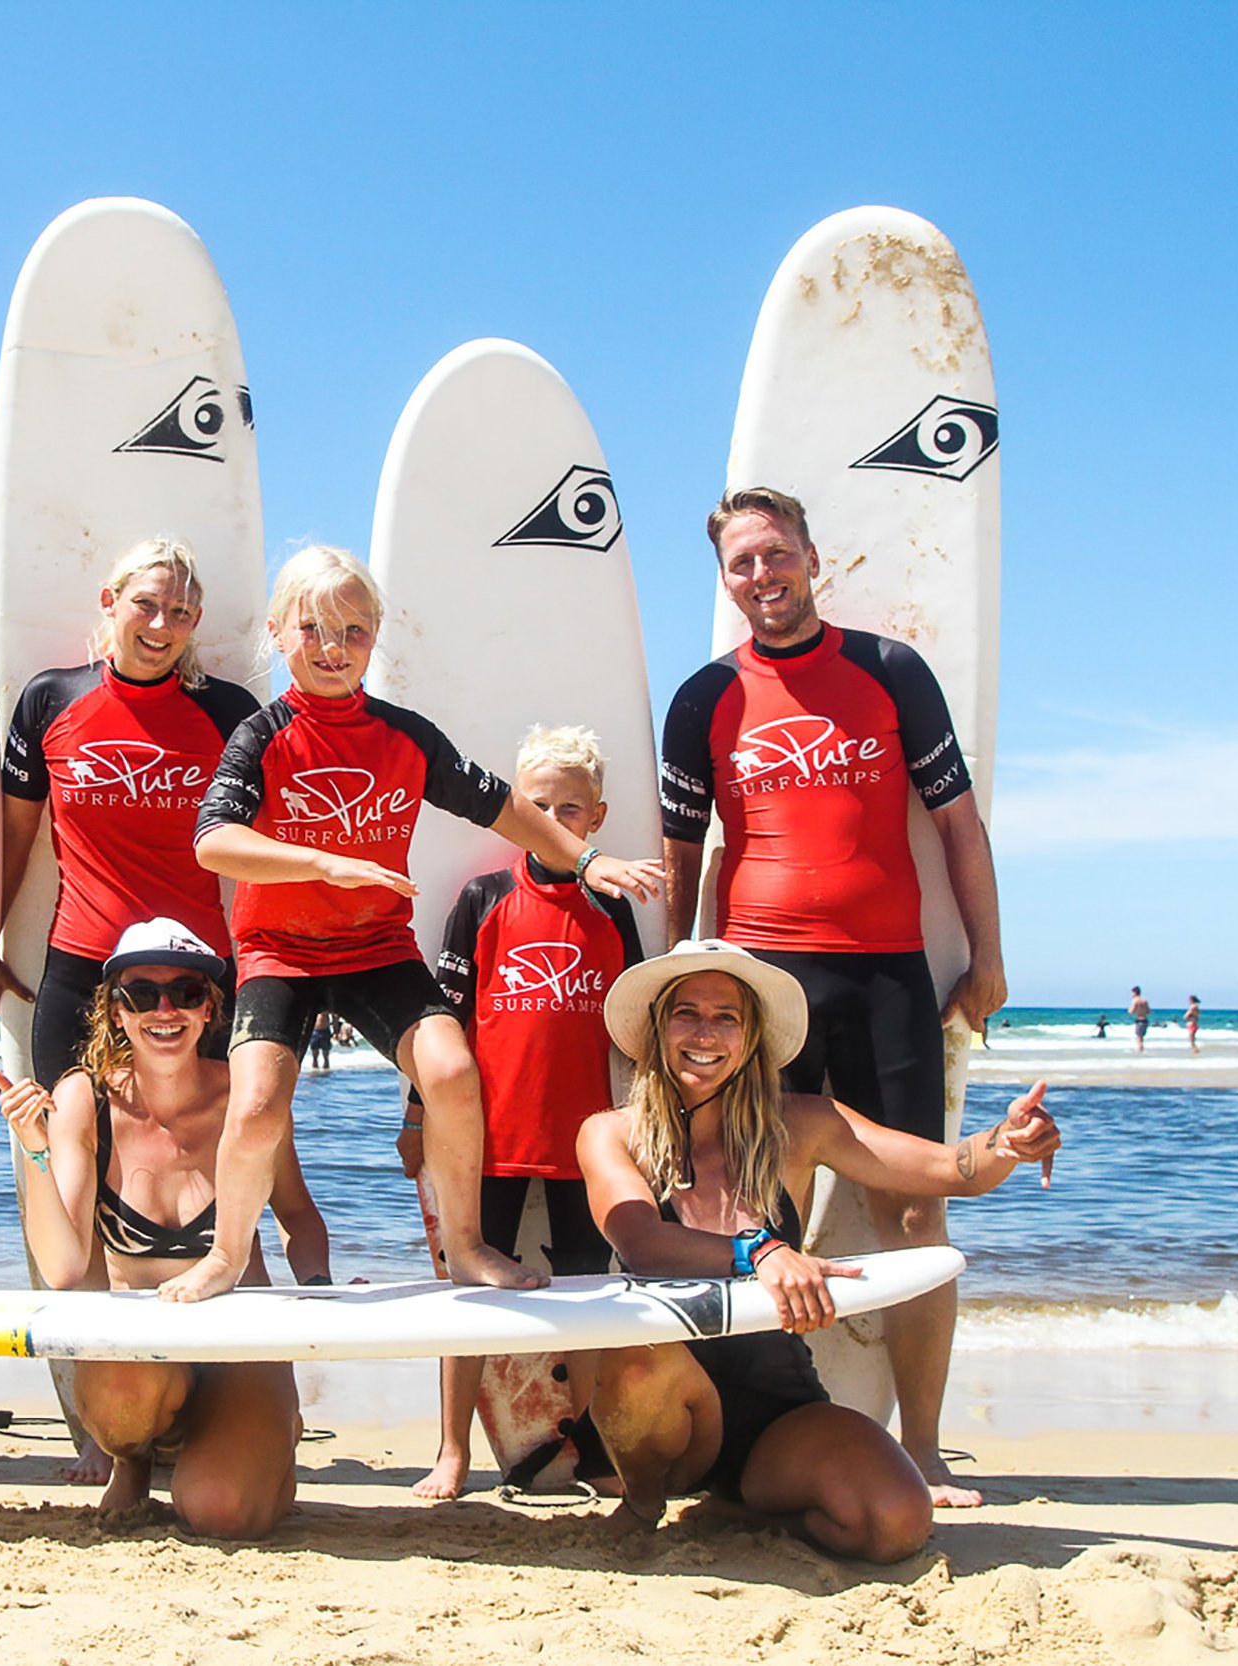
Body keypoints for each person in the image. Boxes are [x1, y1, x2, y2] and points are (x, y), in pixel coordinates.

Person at [188, 545, 662, 1301]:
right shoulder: (263, 735)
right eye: (312, 629)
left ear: (377, 634)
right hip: (279, 949)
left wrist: (586, 861)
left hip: (376, 946)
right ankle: (224, 1256)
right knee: (254, 1107)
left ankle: (467, 1245)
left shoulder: (405, 735)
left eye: (353, 629)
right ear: (278, 632)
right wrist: (321, 863)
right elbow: (215, 841)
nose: (333, 648)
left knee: (451, 1070)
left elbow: (504, 806)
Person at [659, 487, 1005, 1505]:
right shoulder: (702, 698)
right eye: (740, 564)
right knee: (747, 1215)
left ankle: (926, 1445)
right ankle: (749, 1435)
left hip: (886, 972)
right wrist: (678, 977)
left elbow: (955, 827)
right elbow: (685, 853)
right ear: (725, 581)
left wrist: (986, 953)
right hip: (760, 984)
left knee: (915, 1213)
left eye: (775, 555)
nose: (760, 576)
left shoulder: (890, 673)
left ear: (813, 557)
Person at [578, 940, 1059, 1558]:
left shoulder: (802, 1125)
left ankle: (737, 1511)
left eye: (727, 1017)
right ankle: (642, 1500)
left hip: (778, 1409)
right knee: (639, 1351)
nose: (706, 1032)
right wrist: (762, 1251)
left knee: (893, 1523)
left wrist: (1009, 1140)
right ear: (656, 1029)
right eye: (686, 1013)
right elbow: (640, 1241)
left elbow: (952, 1171)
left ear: (751, 1037)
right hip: (665, 1405)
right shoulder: (611, 1133)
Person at [0, 919, 328, 1535]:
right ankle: (133, 1459)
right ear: (115, 1012)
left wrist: (320, 1291)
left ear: (210, 1010)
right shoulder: (82, 1100)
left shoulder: (245, 1102)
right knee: (123, 1398)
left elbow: (299, 1217)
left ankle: (265, 1431)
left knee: (223, 1514)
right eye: (142, 994)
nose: (164, 1009)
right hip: (137, 1359)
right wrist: (36, 1154)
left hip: (240, 1347)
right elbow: (64, 1270)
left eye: (185, 992)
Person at [404, 725, 643, 1500]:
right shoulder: (483, 898)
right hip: (487, 1141)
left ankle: (594, 1445)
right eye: (536, 805)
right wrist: (417, 1118)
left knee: (593, 1296)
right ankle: (451, 1450)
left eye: (569, 809)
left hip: (585, 1142)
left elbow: (638, 1025)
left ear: (595, 818)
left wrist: (651, 1127)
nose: (553, 820)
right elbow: (442, 1018)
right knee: (466, 1302)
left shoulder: (613, 905)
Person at [0, 538, 260, 1084]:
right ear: (109, 601)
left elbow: (268, 839)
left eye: (180, 612)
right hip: (82, 967)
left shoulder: (229, 711)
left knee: (203, 1162)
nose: (161, 625)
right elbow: (15, 839)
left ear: (196, 622)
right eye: (145, 604)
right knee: (72, 1153)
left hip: (198, 975)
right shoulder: (51, 699)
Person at [1128, 986, 1151, 1053]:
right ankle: (1141, 1050)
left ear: (1135, 993)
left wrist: (1130, 1010)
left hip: (1139, 1020)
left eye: (1132, 993)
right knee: (1141, 1038)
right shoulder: (1145, 1001)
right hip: (1145, 1020)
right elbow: (1149, 1011)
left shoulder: (1135, 1001)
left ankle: (1140, 1052)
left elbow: (1131, 1011)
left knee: (1139, 1038)